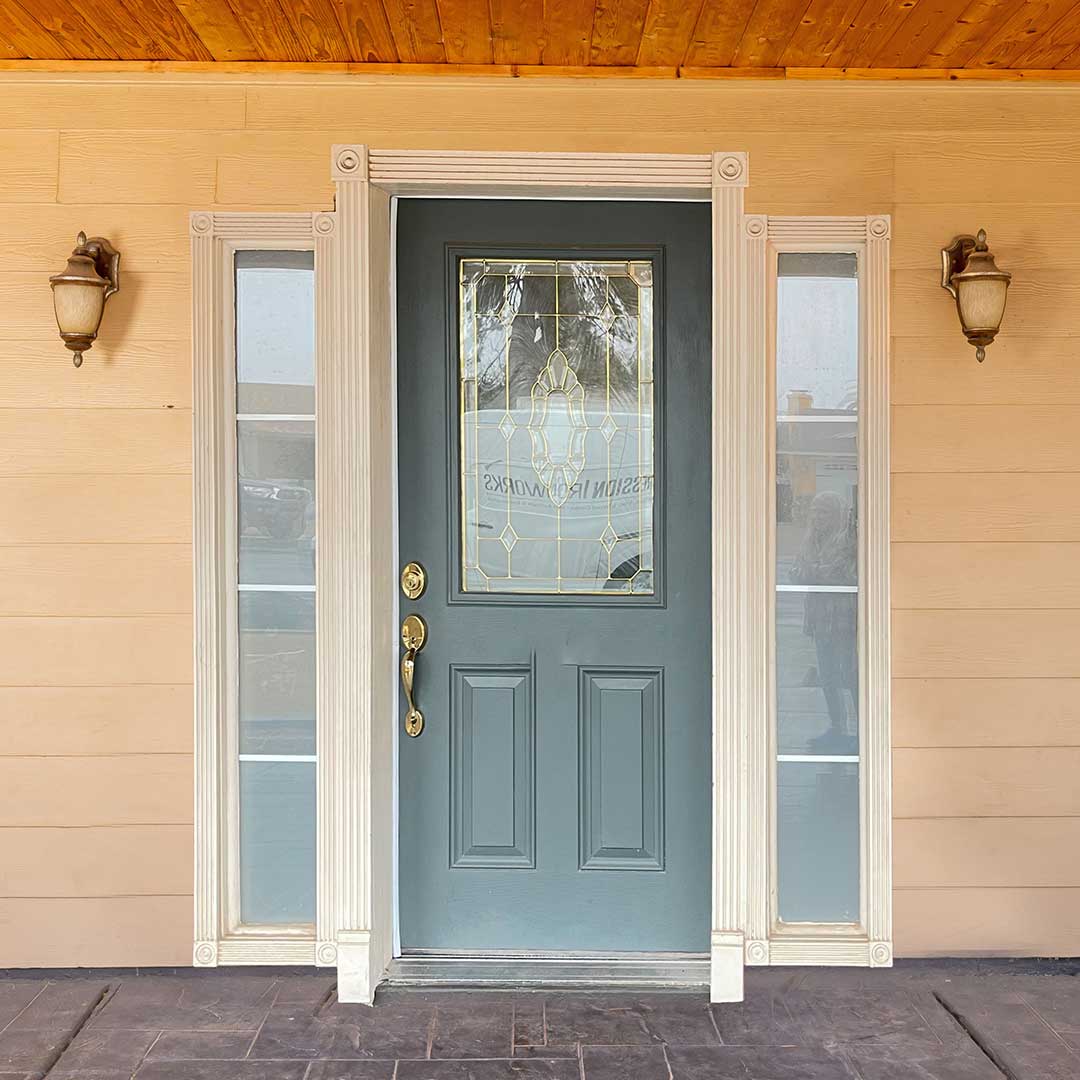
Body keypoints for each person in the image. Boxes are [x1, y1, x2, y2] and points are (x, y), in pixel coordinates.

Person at [790, 490, 857, 753]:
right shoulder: (809, 541)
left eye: (824, 511)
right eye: (815, 511)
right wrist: (812, 573)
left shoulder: (846, 541)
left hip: (841, 615)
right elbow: (796, 571)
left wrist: (812, 572)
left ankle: (863, 729)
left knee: (849, 674)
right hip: (820, 616)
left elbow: (839, 572)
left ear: (837, 515)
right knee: (827, 675)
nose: (818, 517)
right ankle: (838, 728)